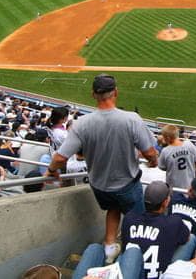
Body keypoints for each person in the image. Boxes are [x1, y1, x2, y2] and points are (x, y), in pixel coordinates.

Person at [45, 74, 159, 263]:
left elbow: (59, 158)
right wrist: (153, 162)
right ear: (115, 92)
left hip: (99, 186)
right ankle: (134, 254)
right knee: (137, 220)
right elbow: (149, 153)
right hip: (127, 184)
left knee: (113, 209)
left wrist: (50, 171)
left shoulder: (82, 123)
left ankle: (109, 248)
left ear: (93, 95)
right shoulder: (131, 119)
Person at [120, 181, 196, 279]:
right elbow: (188, 237)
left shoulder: (129, 218)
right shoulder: (173, 222)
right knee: (191, 238)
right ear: (165, 202)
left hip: (132, 272)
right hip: (162, 275)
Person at [159, 124, 196, 191]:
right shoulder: (189, 144)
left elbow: (162, 167)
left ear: (167, 138)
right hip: (189, 187)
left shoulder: (165, 151)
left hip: (173, 188)